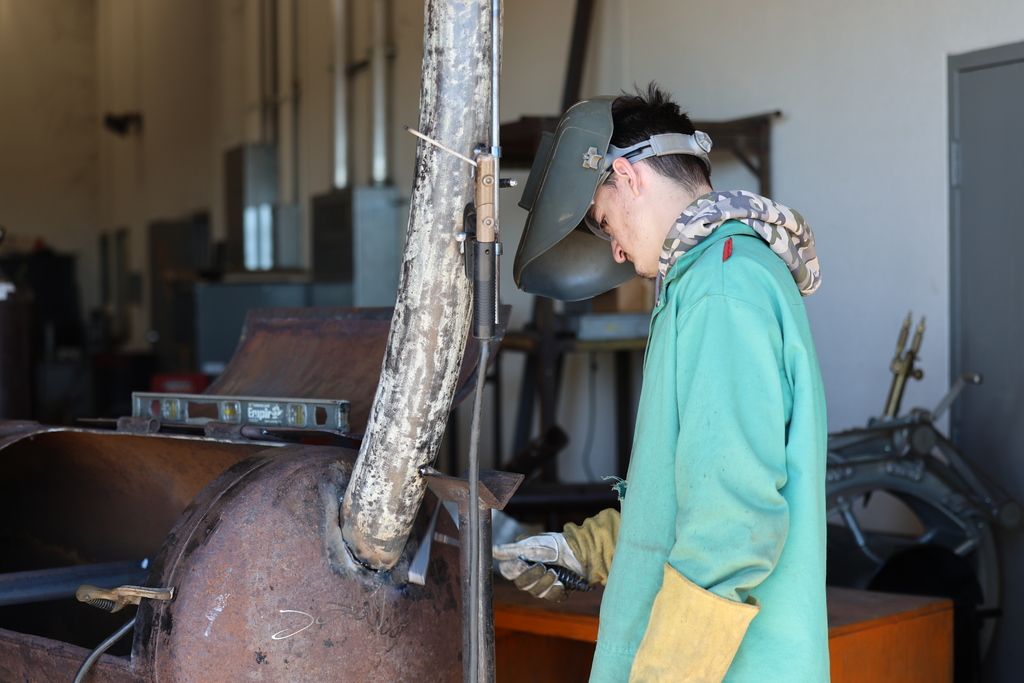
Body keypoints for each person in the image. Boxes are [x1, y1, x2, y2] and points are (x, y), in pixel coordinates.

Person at [496, 85, 829, 682]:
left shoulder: (722, 287)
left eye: (603, 222)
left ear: (626, 175)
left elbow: (732, 523)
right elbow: (692, 491)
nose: (617, 252)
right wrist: (589, 550)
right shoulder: (712, 275)